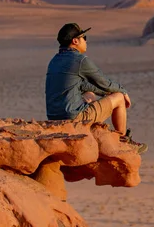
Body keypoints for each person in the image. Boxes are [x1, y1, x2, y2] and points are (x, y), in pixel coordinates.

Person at [45, 23, 147, 154]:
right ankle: (122, 141)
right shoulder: (80, 60)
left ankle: (95, 132)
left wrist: (107, 93)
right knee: (119, 98)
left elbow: (83, 85)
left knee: (89, 94)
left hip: (54, 117)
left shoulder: (54, 60)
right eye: (84, 37)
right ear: (75, 41)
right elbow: (103, 82)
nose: (86, 41)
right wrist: (122, 91)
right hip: (73, 117)